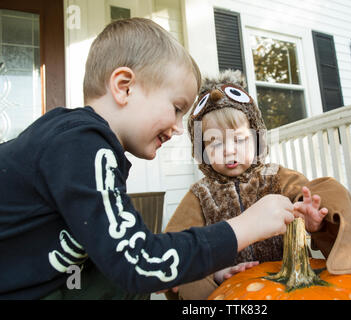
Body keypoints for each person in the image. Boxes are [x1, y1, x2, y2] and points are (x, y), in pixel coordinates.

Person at [0, 18, 299, 300]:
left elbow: (120, 255)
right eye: (177, 107)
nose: (180, 129)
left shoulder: (83, 145)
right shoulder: (82, 143)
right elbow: (137, 261)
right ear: (124, 87)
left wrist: (188, 264)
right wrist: (245, 227)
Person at [164, 70, 351, 300]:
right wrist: (217, 273)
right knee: (180, 254)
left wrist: (313, 221)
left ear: (257, 138)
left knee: (328, 189)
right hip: (233, 292)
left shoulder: (277, 177)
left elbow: (306, 200)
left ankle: (348, 258)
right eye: (215, 142)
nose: (229, 150)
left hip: (290, 283)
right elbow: (179, 245)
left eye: (239, 139)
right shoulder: (201, 195)